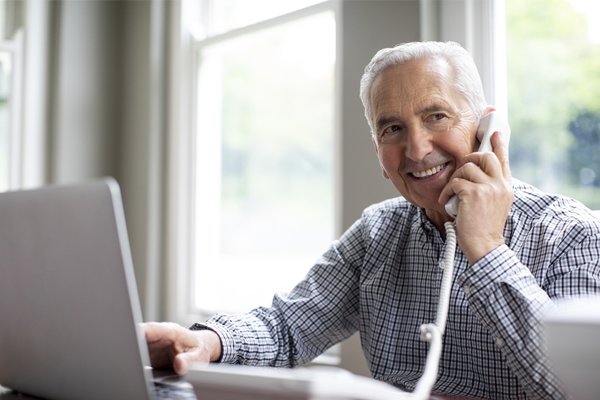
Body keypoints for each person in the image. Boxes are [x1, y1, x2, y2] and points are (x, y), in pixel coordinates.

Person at [142, 41, 600, 399]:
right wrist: (207, 342)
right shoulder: (378, 232)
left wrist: (487, 249)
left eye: (436, 116)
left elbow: (577, 389)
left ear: (486, 131)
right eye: (393, 128)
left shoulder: (571, 234)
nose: (417, 149)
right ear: (381, 157)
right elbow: (288, 327)